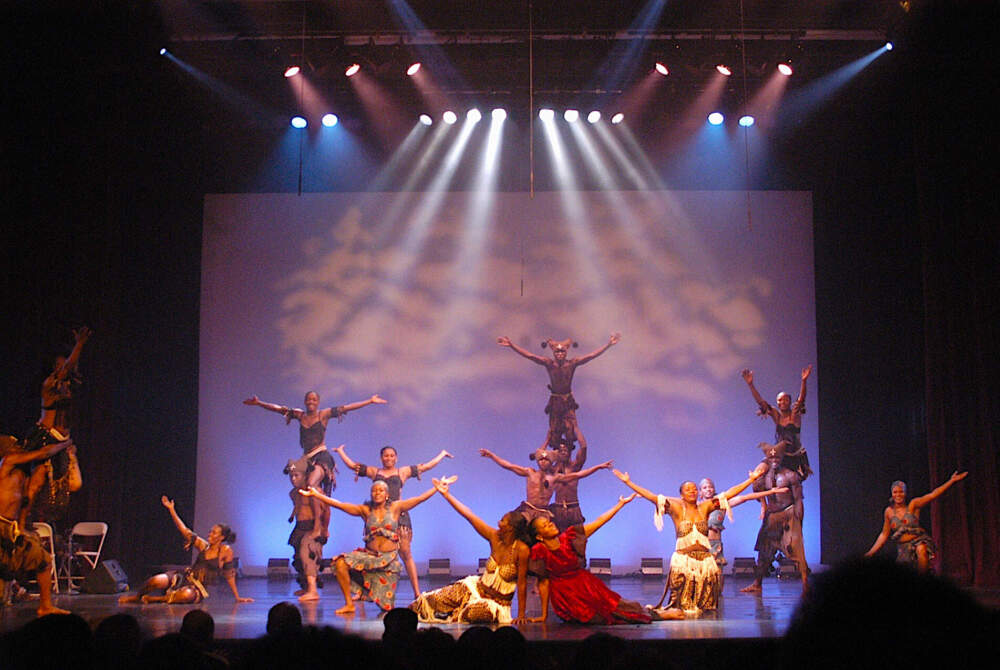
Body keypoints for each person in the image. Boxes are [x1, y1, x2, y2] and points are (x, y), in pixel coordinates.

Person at [614, 468, 767, 617]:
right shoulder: (676, 508)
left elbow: (729, 494)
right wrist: (629, 482)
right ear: (681, 494)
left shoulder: (705, 507)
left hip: (705, 561)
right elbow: (652, 496)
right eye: (688, 489)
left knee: (707, 605)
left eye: (694, 489)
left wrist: (751, 480)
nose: (692, 491)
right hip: (684, 561)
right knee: (682, 604)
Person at [243, 390, 387, 540]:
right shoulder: (300, 415)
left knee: (311, 484)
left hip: (322, 456)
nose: (311, 402)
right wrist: (259, 403)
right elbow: (279, 409)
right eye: (308, 399)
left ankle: (319, 526)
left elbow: (347, 407)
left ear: (318, 402)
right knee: (294, 476)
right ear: (305, 402)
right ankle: (303, 518)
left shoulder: (323, 414)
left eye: (314, 399)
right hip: (307, 459)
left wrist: (369, 401)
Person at [300, 479, 439, 615]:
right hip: (369, 556)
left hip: (388, 560)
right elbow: (340, 505)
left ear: (387, 494)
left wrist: (436, 488)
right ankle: (349, 604)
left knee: (387, 609)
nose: (377, 493)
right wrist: (317, 495)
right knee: (340, 563)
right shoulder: (365, 510)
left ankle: (374, 594)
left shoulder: (396, 508)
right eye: (374, 491)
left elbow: (419, 499)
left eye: (380, 490)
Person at [334, 444, 452, 598]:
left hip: (398, 514)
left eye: (391, 455)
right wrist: (341, 451)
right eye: (385, 455)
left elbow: (427, 466)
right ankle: (363, 591)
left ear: (396, 458)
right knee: (371, 553)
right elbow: (352, 465)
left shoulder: (402, 472)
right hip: (378, 516)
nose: (388, 458)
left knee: (405, 552)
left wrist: (442, 454)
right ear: (381, 458)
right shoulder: (374, 472)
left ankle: (416, 592)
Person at [409, 477, 531, 624]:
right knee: (434, 599)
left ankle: (453, 613)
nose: (499, 522)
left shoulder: (521, 549)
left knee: (475, 613)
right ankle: (406, 614)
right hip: (475, 589)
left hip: (496, 605)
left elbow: (522, 583)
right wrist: (446, 495)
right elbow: (469, 515)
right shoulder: (494, 537)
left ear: (511, 527)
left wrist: (522, 614)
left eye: (502, 520)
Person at [529, 494, 652, 624]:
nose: (551, 525)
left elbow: (599, 521)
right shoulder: (539, 551)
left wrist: (620, 504)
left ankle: (658, 613)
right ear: (539, 536)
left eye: (549, 522)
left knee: (621, 610)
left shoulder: (570, 537)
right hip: (565, 597)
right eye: (545, 526)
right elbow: (543, 582)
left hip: (586, 587)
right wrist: (544, 616)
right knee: (597, 619)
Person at [119, 496, 252, 604]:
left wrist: (237, 597)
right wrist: (171, 509)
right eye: (210, 531)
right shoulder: (203, 545)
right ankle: (137, 597)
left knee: (187, 595)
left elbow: (229, 574)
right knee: (155, 581)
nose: (210, 534)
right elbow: (184, 530)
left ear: (222, 537)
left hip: (197, 588)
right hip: (184, 577)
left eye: (214, 533)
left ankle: (155, 599)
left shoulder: (226, 551)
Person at [497, 333, 620, 448]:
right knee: (554, 432)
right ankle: (554, 454)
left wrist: (608, 345)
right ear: (553, 353)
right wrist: (512, 345)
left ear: (566, 352)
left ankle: (567, 454)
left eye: (562, 351)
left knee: (571, 430)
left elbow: (591, 356)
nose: (560, 353)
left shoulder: (572, 363)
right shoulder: (549, 363)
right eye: (557, 351)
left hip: (567, 400)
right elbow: (530, 356)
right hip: (555, 401)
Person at [22, 326, 92, 523]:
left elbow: (71, 372)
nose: (64, 369)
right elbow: (66, 370)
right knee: (36, 484)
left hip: (62, 442)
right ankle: (22, 523)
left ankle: (44, 524)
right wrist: (78, 346)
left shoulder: (69, 388)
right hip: (45, 437)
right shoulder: (49, 385)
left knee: (68, 486)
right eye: (60, 366)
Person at [0, 435, 71, 616]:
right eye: (14, 443)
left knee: (44, 560)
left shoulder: (21, 474)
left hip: (11, 529)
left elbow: (23, 504)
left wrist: (23, 528)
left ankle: (45, 606)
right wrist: (63, 444)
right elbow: (43, 452)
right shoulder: (7, 461)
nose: (18, 445)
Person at [740, 441, 810, 594]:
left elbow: (798, 499)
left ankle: (806, 584)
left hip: (788, 514)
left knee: (797, 549)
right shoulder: (764, 476)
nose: (774, 461)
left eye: (777, 458)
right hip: (772, 517)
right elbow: (758, 493)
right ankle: (757, 583)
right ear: (767, 459)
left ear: (781, 458)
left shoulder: (790, 475)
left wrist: (799, 520)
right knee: (764, 550)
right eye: (771, 459)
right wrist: (756, 483)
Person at [864, 471, 968, 573]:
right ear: (892, 494)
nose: (898, 494)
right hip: (903, 548)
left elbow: (933, 495)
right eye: (895, 492)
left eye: (901, 491)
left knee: (921, 548)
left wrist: (951, 481)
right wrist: (870, 553)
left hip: (917, 541)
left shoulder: (913, 505)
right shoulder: (889, 512)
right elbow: (884, 534)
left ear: (905, 493)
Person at [479, 446, 612, 522]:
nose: (543, 462)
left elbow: (578, 475)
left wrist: (598, 467)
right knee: (512, 524)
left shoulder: (555, 478)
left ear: (551, 462)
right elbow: (508, 465)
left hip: (544, 512)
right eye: (540, 459)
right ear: (537, 461)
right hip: (528, 510)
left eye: (546, 460)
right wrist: (491, 455)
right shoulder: (529, 472)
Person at [697, 476, 785, 572]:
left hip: (715, 546)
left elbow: (744, 498)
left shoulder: (721, 504)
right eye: (705, 488)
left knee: (716, 577)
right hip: (700, 546)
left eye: (710, 487)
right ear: (700, 492)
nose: (708, 489)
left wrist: (771, 492)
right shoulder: (696, 507)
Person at [741, 365, 813, 480]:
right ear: (777, 402)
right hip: (780, 455)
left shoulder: (794, 415)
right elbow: (761, 402)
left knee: (790, 483)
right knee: (760, 475)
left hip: (796, 457)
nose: (782, 402)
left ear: (789, 402)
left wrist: (804, 381)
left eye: (785, 399)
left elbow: (801, 399)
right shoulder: (776, 415)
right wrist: (750, 385)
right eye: (780, 400)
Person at [285, 460, 323, 602]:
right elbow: (298, 505)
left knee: (307, 554)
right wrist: (292, 516)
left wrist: (319, 529)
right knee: (299, 558)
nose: (293, 479)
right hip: (299, 526)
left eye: (296, 475)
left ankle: (313, 590)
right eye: (291, 476)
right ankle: (307, 587)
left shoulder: (313, 491)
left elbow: (322, 512)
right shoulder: (293, 493)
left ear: (305, 475)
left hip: (312, 526)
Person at [550, 435, 589, 532]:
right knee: (559, 540)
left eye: (565, 450)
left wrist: (575, 427)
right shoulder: (552, 469)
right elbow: (540, 455)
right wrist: (548, 438)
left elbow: (583, 447)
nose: (563, 452)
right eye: (560, 450)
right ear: (556, 452)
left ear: (570, 452)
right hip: (558, 508)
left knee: (578, 539)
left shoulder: (574, 467)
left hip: (573, 508)